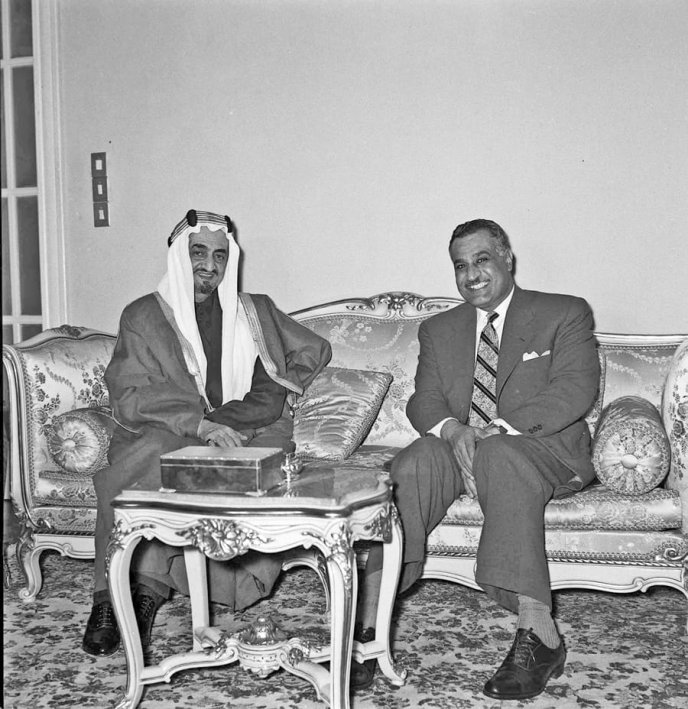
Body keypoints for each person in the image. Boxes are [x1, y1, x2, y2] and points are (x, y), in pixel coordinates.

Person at [352, 219, 599, 699]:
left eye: (482, 260)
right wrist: (455, 430)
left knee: (501, 454)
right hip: (464, 448)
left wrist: (492, 434)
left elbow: (573, 390)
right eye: (460, 266)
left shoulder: (563, 312)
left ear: (507, 257)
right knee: (415, 460)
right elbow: (424, 401)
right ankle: (368, 626)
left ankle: (539, 633)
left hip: (539, 450)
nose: (472, 275)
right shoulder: (440, 329)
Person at [82, 209, 331, 657]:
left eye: (219, 255)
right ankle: (108, 596)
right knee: (154, 462)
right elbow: (129, 394)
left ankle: (150, 588)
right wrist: (199, 424)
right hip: (166, 428)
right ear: (180, 256)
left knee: (254, 463)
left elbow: (313, 349)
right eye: (199, 252)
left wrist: (264, 398)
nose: (210, 265)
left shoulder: (255, 310)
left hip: (239, 426)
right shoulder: (142, 315)